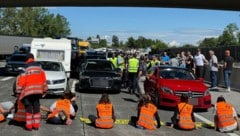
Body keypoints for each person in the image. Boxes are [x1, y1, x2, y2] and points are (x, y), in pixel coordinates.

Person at [16, 53, 47, 131]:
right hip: (38, 91)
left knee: (29, 108)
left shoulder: (25, 68)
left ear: (26, 59)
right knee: (36, 107)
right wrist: (44, 90)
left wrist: (18, 91)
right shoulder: (39, 67)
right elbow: (44, 79)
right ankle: (36, 125)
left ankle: (29, 126)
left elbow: (21, 80)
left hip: (28, 91)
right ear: (33, 58)